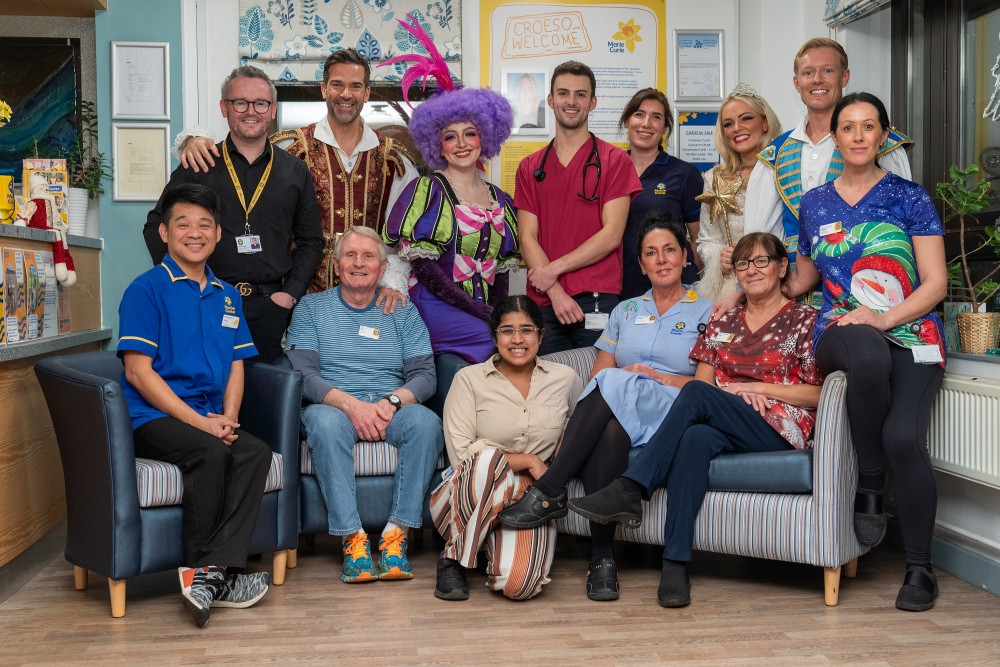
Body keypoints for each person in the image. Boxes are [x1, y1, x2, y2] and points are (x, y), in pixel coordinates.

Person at [567, 232, 824, 608]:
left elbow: (819, 393)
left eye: (761, 261)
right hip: (725, 420)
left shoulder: (806, 320)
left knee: (698, 396)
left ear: (783, 267)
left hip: (777, 425)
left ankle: (630, 488)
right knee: (694, 440)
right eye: (742, 263)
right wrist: (729, 396)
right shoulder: (723, 320)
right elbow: (701, 389)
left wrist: (755, 389)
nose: (751, 270)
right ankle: (675, 564)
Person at [498, 213, 713, 601]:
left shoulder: (709, 311)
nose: (661, 259)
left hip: (674, 408)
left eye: (669, 251)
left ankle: (550, 489)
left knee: (617, 382)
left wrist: (657, 379)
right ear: (641, 264)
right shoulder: (625, 312)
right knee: (610, 422)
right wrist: (626, 378)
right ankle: (603, 560)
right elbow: (598, 379)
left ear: (686, 256)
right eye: (651, 253)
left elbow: (707, 387)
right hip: (622, 406)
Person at [793, 93, 946, 612]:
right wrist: (747, 275)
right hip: (843, 329)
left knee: (904, 436)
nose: (858, 136)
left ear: (883, 136)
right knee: (863, 345)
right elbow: (805, 277)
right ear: (834, 136)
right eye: (848, 127)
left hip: (911, 331)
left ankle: (920, 569)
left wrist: (883, 317)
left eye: (869, 127)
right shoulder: (813, 204)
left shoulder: (910, 197)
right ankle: (871, 482)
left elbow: (935, 284)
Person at [119, 183, 272, 628]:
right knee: (208, 450)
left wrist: (229, 418)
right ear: (164, 233)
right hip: (155, 417)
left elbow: (237, 364)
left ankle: (211, 575)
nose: (194, 232)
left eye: (204, 224)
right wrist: (201, 426)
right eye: (182, 224)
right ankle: (207, 573)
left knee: (254, 451)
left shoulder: (227, 294)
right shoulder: (146, 290)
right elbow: (137, 373)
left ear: (218, 234)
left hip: (208, 414)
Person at [177, 49, 419, 296]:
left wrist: (392, 283)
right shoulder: (290, 147)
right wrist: (195, 139)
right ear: (324, 90)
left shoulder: (394, 159)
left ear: (367, 93)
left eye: (355, 86)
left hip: (370, 296)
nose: (346, 94)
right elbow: (243, 150)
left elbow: (405, 236)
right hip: (298, 298)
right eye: (337, 84)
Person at [284, 226, 444, 584]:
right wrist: (351, 406)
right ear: (337, 266)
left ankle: (395, 537)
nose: (359, 263)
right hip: (332, 407)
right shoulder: (311, 308)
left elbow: (424, 376)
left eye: (368, 256)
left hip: (390, 408)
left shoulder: (401, 310)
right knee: (324, 425)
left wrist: (391, 402)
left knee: (427, 423)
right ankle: (352, 540)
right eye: (350, 256)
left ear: (382, 266)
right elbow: (304, 375)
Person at [145, 65, 323, 364]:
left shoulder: (295, 171)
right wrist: (184, 287)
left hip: (271, 308)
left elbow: (311, 241)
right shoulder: (199, 163)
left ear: (272, 109)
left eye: (260, 103)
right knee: (208, 396)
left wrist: (289, 295)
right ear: (224, 108)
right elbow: (155, 226)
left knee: (264, 399)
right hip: (208, 302)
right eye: (240, 102)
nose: (250, 111)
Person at [431, 296, 583, 601]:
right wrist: (528, 460)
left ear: (541, 336)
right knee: (486, 459)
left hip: (530, 499)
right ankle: (452, 559)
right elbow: (462, 455)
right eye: (507, 330)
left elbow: (576, 428)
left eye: (526, 330)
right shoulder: (469, 380)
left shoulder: (565, 379)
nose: (517, 340)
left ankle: (481, 543)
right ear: (494, 336)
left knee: (520, 587)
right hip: (466, 489)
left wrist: (556, 465)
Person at [744, 38, 913, 306]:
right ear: (796, 83)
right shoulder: (774, 155)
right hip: (791, 298)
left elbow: (901, 229)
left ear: (845, 76)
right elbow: (758, 236)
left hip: (867, 292)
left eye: (828, 71)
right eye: (808, 73)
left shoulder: (885, 146)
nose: (817, 80)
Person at [384, 78, 519, 363]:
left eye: (469, 134)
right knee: (491, 339)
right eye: (450, 136)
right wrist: (483, 314)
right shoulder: (427, 190)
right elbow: (426, 270)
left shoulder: (501, 199)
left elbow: (502, 273)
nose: (460, 144)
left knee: (515, 338)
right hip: (435, 303)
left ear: (484, 138)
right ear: (438, 145)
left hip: (480, 309)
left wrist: (497, 311)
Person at [515, 60, 643, 354]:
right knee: (548, 388)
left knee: (596, 386)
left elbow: (612, 234)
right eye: (563, 93)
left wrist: (554, 270)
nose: (571, 102)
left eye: (580, 94)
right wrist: (555, 290)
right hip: (545, 300)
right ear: (550, 100)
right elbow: (527, 238)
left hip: (596, 298)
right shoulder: (531, 167)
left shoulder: (614, 162)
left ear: (593, 102)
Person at [692, 83, 781, 301]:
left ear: (766, 122)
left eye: (746, 118)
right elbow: (707, 239)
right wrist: (720, 257)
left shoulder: (783, 171)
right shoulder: (714, 178)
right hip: (730, 289)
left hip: (778, 285)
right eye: (728, 124)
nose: (737, 128)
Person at [618, 88, 703, 299]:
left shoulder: (684, 173)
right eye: (639, 114)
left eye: (656, 117)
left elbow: (698, 239)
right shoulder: (610, 170)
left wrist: (701, 287)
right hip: (619, 287)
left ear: (665, 127)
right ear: (627, 121)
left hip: (671, 287)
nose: (646, 123)